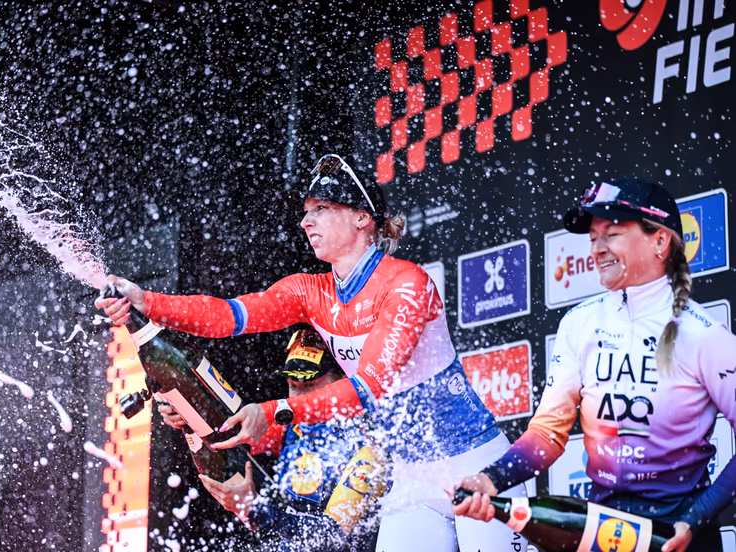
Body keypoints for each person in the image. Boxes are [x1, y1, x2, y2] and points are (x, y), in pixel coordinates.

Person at [96, 153, 526, 552]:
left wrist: (275, 409)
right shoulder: (310, 290)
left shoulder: (406, 284)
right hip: (413, 477)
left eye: (322, 208)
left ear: (362, 217)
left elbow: (367, 388)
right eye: (306, 211)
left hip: (475, 464)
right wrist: (146, 300)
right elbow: (228, 316)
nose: (306, 221)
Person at [452, 178, 736, 552]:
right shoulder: (579, 323)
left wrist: (695, 518)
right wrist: (490, 481)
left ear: (660, 241)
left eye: (612, 234)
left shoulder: (704, 335)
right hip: (601, 533)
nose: (597, 250)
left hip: (679, 537)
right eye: (593, 238)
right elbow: (548, 435)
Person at [161, 327, 387, 551]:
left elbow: (329, 538)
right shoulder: (291, 429)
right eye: (292, 386)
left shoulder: (369, 451)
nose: (299, 398)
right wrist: (186, 413)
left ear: (343, 382)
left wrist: (255, 509)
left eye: (309, 385)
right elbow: (226, 432)